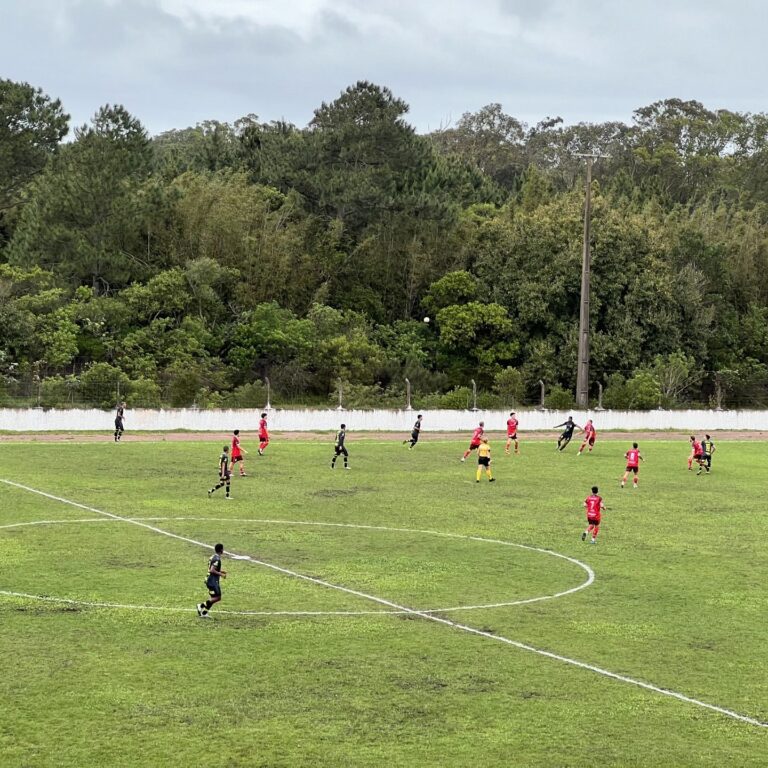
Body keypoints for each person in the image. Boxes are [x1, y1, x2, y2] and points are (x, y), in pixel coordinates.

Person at [197, 543, 227, 618]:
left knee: (213, 598)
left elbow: (211, 568)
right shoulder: (217, 559)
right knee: (217, 597)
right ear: (221, 550)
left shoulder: (213, 556)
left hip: (210, 580)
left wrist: (221, 571)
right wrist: (221, 574)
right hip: (212, 581)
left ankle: (204, 613)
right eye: (223, 549)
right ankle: (200, 605)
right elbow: (212, 570)